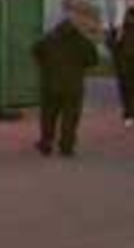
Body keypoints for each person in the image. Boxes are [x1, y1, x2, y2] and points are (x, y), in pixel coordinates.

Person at [33, 18, 99, 158]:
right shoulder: (82, 41)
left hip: (51, 85)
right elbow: (93, 60)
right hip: (73, 87)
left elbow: (35, 50)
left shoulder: (49, 39)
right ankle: (66, 146)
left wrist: (44, 65)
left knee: (48, 116)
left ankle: (46, 143)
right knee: (70, 117)